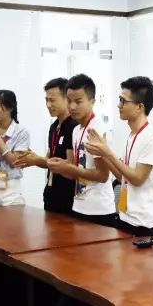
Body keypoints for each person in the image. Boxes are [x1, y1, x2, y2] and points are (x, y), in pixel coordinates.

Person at [85, 76, 153, 236]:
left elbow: (137, 179)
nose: (118, 105)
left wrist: (107, 152)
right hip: (126, 217)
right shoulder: (133, 135)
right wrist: (103, 153)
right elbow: (122, 176)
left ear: (139, 107)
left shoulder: (151, 137)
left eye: (123, 101)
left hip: (144, 224)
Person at [47, 74, 116, 226]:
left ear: (92, 102)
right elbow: (76, 170)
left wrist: (69, 168)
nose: (72, 106)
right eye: (69, 101)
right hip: (79, 205)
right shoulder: (76, 130)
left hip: (98, 210)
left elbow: (103, 175)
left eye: (78, 101)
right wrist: (61, 166)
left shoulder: (97, 129)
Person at [15, 78, 77, 214]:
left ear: (66, 99)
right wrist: (33, 159)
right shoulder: (53, 127)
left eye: (52, 100)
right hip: (51, 193)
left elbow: (71, 166)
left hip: (68, 196)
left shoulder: (73, 126)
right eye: (46, 100)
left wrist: (36, 159)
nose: (48, 105)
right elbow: (49, 160)